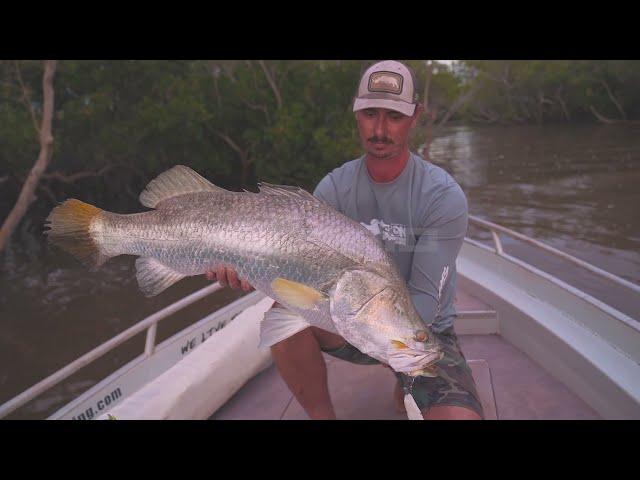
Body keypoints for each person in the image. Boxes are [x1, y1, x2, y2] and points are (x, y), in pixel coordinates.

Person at [206, 60, 483, 420]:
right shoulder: (334, 189)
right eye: (370, 113)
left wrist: (396, 353)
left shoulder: (441, 197)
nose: (380, 129)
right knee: (285, 314)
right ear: (356, 112)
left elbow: (426, 305)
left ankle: (405, 378)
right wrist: (248, 269)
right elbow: (302, 276)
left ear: (414, 117)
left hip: (421, 335)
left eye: (394, 117)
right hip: (347, 318)